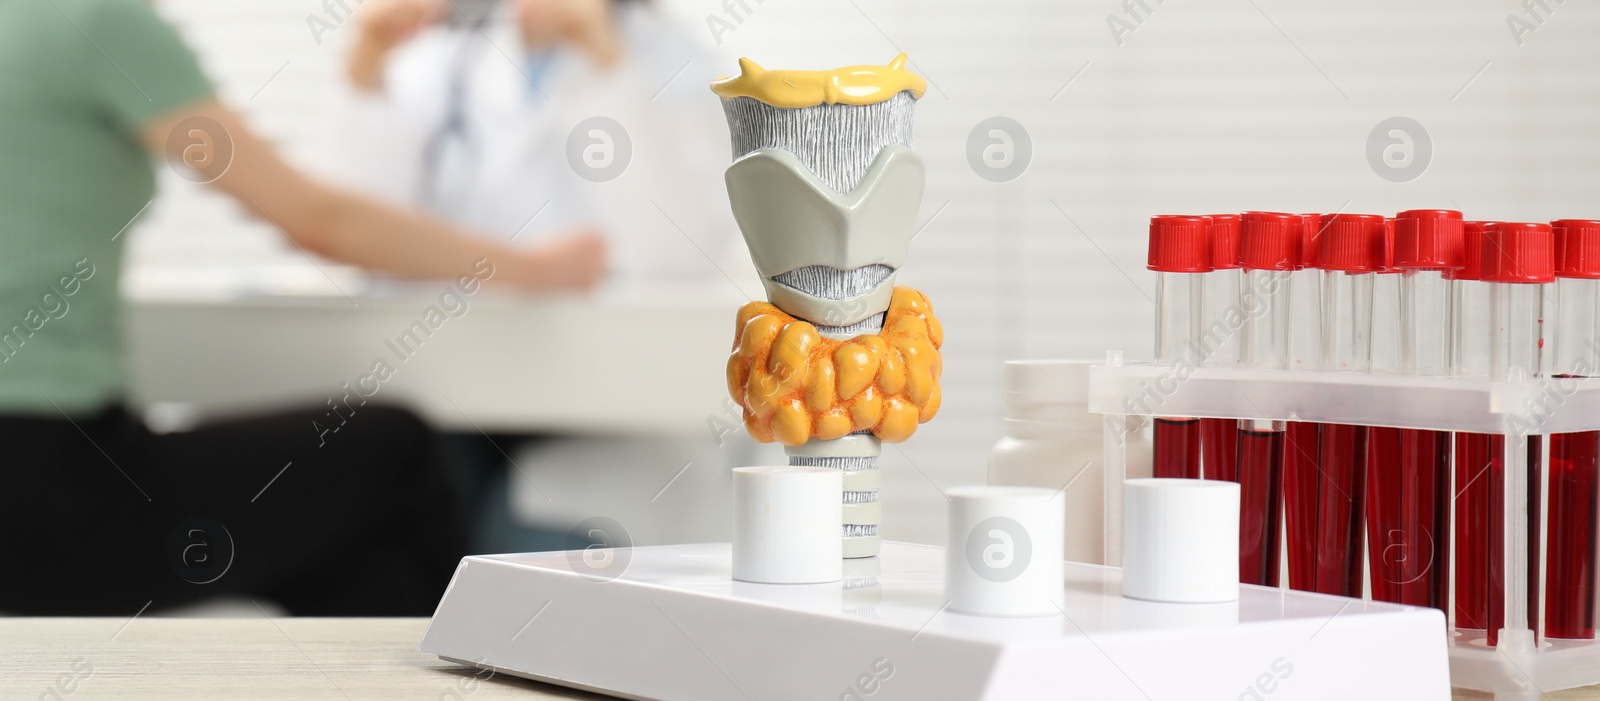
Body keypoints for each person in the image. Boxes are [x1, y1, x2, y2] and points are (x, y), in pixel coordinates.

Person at [0, 0, 604, 616]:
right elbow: (318, 222)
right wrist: (535, 269)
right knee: (394, 452)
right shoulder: (95, 23)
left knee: (354, 557)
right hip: (46, 497)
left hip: (43, 488)